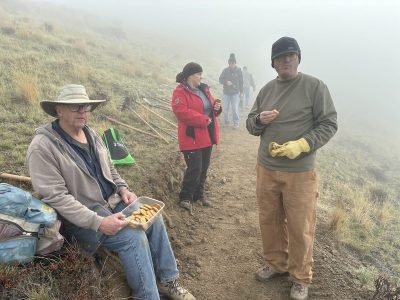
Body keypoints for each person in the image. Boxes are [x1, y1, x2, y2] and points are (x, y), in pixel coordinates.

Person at [26, 84, 196, 300]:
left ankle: (168, 281)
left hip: (112, 203)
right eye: (75, 107)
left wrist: (123, 188)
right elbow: (57, 199)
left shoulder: (92, 134)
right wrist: (99, 223)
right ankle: (147, 296)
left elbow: (112, 168)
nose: (82, 111)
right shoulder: (43, 147)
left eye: (85, 106)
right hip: (80, 220)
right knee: (133, 238)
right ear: (59, 110)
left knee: (153, 216)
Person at [246, 37, 337, 300]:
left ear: (298, 59)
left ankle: (300, 278)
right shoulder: (266, 90)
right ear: (273, 63)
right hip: (267, 167)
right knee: (269, 220)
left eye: (291, 55)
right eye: (281, 56)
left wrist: (303, 144)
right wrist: (259, 120)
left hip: (300, 172)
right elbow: (251, 125)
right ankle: (277, 264)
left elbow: (329, 124)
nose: (286, 59)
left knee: (300, 225)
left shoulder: (315, 87)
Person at [172, 62, 222, 211]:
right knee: (194, 168)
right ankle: (185, 197)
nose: (201, 77)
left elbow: (211, 107)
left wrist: (217, 108)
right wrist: (203, 120)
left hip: (207, 135)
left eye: (201, 74)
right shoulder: (180, 92)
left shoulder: (204, 89)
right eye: (198, 74)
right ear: (190, 76)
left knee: (204, 168)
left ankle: (199, 194)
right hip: (191, 137)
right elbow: (180, 111)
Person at [219, 53, 243, 129]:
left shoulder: (239, 71)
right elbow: (220, 79)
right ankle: (227, 121)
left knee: (235, 108)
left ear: (235, 63)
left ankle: (236, 123)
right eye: (230, 63)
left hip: (235, 93)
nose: (232, 64)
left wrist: (241, 92)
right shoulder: (225, 71)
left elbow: (241, 82)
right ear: (228, 63)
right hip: (226, 93)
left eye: (233, 63)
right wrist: (226, 82)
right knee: (226, 108)